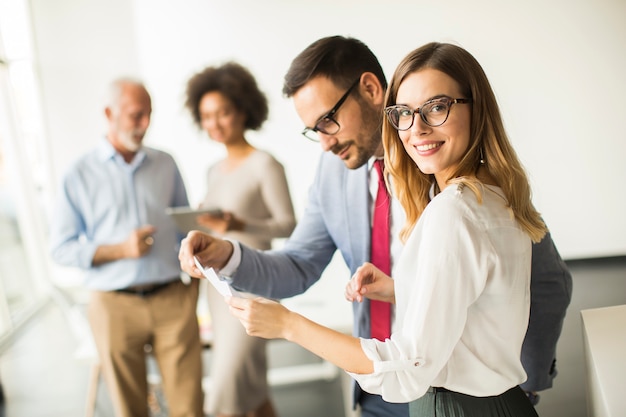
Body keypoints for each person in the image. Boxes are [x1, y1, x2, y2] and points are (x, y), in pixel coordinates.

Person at [179, 36, 571, 416]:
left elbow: (544, 281)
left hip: (448, 387)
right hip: (377, 387)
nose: (325, 144)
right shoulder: (336, 175)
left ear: (369, 88)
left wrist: (520, 383)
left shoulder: (457, 196)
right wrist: (227, 255)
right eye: (313, 130)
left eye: (328, 121)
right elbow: (299, 264)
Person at [49, 78, 203, 417]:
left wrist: (194, 284)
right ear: (109, 113)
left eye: (149, 114)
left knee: (190, 407)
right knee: (131, 410)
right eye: (136, 115)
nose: (144, 124)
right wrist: (119, 250)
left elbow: (185, 229)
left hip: (172, 301)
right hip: (113, 307)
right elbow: (60, 249)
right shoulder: (77, 174)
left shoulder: (166, 163)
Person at [184, 62, 296, 417]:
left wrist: (239, 221)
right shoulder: (213, 171)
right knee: (251, 385)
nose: (215, 123)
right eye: (206, 116)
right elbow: (221, 230)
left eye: (223, 113)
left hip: (254, 282)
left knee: (227, 391)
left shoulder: (265, 164)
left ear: (243, 110)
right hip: (219, 288)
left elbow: (288, 225)